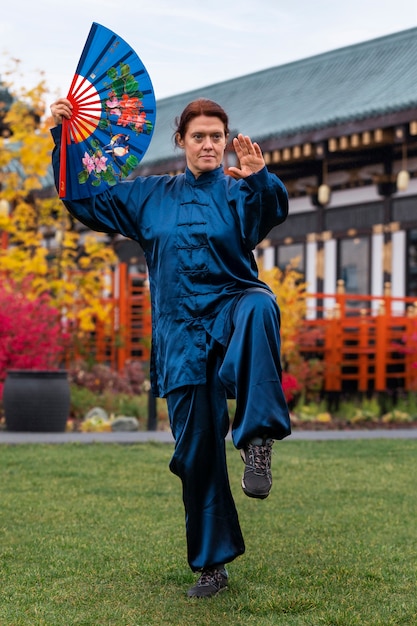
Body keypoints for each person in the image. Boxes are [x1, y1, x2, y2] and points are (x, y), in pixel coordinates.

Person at [50, 97, 291, 598]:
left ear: (227, 143)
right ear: (180, 141)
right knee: (196, 452)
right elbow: (83, 200)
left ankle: (257, 442)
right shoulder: (148, 197)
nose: (208, 144)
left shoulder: (238, 190)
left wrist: (260, 177)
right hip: (180, 336)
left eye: (217, 137)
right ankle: (212, 565)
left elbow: (268, 215)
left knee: (259, 306)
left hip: (231, 308)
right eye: (199, 136)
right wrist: (65, 136)